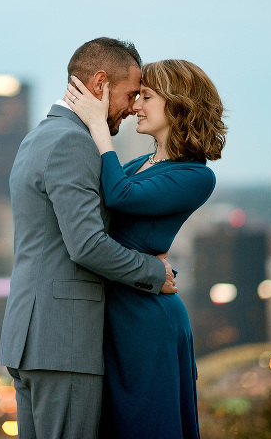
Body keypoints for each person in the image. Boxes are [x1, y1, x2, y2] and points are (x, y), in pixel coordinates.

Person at [0, 38, 179, 439]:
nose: (133, 108)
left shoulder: (39, 137)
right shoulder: (73, 142)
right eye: (131, 94)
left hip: (32, 339)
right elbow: (86, 245)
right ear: (100, 83)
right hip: (63, 341)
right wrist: (155, 271)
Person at [65, 59, 227, 439]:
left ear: (178, 104)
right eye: (137, 96)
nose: (136, 105)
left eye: (147, 97)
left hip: (147, 321)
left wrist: (96, 124)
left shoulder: (196, 176)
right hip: (121, 309)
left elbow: (119, 196)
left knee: (146, 424)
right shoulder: (141, 162)